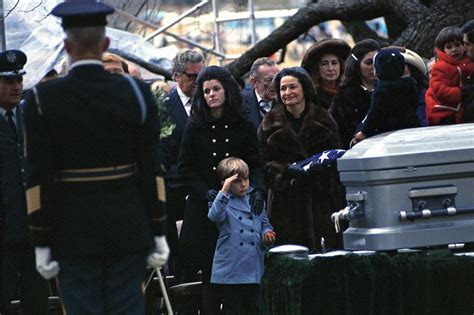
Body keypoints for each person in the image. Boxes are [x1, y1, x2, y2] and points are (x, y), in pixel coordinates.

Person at [23, 1, 169, 313]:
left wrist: (41, 239)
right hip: (127, 229)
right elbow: (150, 169)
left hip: (71, 232)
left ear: (65, 46)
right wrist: (157, 229)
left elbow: (38, 177)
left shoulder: (40, 99)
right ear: (105, 43)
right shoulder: (136, 94)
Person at [177, 65, 265, 314]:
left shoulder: (244, 125)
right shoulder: (194, 127)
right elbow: (185, 168)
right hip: (206, 209)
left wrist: (257, 189)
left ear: (226, 90)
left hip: (239, 209)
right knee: (210, 272)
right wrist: (205, 191)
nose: (211, 95)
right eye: (205, 91)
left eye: (216, 89)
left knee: (245, 277)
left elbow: (256, 164)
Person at [257, 67, 343, 252]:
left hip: (321, 200)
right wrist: (285, 170)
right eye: (283, 88)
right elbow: (261, 163)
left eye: (292, 87)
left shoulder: (324, 119)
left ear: (304, 88)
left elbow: (336, 157)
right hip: (286, 203)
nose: (287, 93)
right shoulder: (269, 124)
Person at [0, 49, 50, 315]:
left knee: (38, 303)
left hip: (32, 231)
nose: (16, 86)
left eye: (19, 80)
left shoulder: (29, 119)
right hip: (3, 235)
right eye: (8, 81)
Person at [208, 157, 275, 315]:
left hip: (254, 263)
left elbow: (264, 223)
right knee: (233, 308)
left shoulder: (255, 197)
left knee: (256, 307)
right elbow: (215, 216)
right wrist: (224, 191)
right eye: (238, 181)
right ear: (226, 183)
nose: (244, 184)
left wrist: (267, 234)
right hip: (233, 264)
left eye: (246, 179)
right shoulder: (220, 200)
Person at [160, 50, 205, 274]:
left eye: (201, 75)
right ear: (176, 76)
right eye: (192, 76)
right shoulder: (164, 108)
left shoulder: (212, 100)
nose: (198, 81)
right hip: (177, 194)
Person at [353, 48, 421, 143]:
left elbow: (374, 114)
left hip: (389, 133)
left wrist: (364, 131)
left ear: (377, 71)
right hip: (412, 127)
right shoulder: (410, 85)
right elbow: (415, 103)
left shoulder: (381, 92)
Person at [330, 39, 381, 149]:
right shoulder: (344, 96)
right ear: (357, 65)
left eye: (378, 61)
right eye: (369, 62)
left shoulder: (388, 90)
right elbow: (337, 131)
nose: (374, 67)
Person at [425, 26, 474, 125]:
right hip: (444, 113)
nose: (454, 50)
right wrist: (461, 92)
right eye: (449, 47)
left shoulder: (468, 62)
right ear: (442, 49)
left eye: (457, 45)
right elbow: (439, 91)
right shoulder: (440, 67)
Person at [301, 38, 351, 110]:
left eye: (334, 63)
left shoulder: (350, 92)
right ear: (317, 68)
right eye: (324, 64)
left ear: (341, 66)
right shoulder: (311, 97)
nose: (330, 68)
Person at [241, 57, 280, 129]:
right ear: (254, 82)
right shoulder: (240, 103)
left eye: (277, 79)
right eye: (269, 80)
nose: (275, 84)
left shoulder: (284, 102)